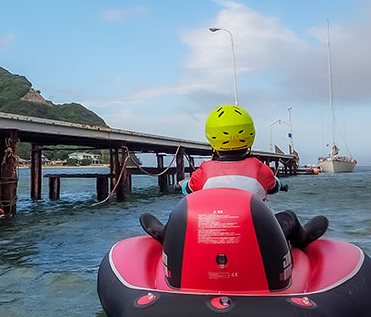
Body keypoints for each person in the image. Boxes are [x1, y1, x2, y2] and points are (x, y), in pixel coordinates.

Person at [140, 104, 327, 249]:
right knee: (289, 217)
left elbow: (188, 189)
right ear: (250, 135)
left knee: (179, 214)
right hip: (257, 234)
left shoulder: (205, 169)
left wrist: (182, 184)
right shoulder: (259, 168)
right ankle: (303, 241)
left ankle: (165, 234)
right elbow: (273, 186)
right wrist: (277, 184)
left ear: (211, 138)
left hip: (210, 232)